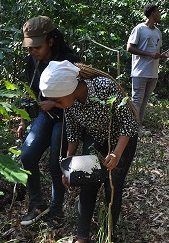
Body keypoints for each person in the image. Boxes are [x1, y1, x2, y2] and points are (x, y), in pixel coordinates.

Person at [39, 60, 138, 243]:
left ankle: (108, 234)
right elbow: (74, 132)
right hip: (95, 138)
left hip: (122, 140)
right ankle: (82, 237)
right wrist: (67, 165)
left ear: (69, 89)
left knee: (112, 188)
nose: (56, 105)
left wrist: (116, 153)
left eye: (57, 101)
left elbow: (128, 123)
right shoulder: (69, 102)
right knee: (88, 182)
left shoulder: (104, 87)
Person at [16, 15, 80, 227]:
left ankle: (56, 210)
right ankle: (37, 205)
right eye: (30, 47)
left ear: (51, 41)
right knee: (27, 156)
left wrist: (52, 102)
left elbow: (75, 94)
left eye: (37, 47)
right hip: (45, 116)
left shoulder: (67, 61)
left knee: (56, 164)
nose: (33, 51)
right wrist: (24, 121)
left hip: (64, 116)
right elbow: (30, 93)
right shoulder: (32, 62)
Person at [126, 4, 169, 127]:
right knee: (136, 101)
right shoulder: (139, 29)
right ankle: (131, 130)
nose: (160, 15)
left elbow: (155, 53)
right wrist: (149, 54)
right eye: (158, 12)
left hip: (152, 73)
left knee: (144, 102)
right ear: (153, 13)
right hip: (139, 72)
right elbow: (129, 48)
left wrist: (164, 55)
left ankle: (138, 127)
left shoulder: (158, 32)